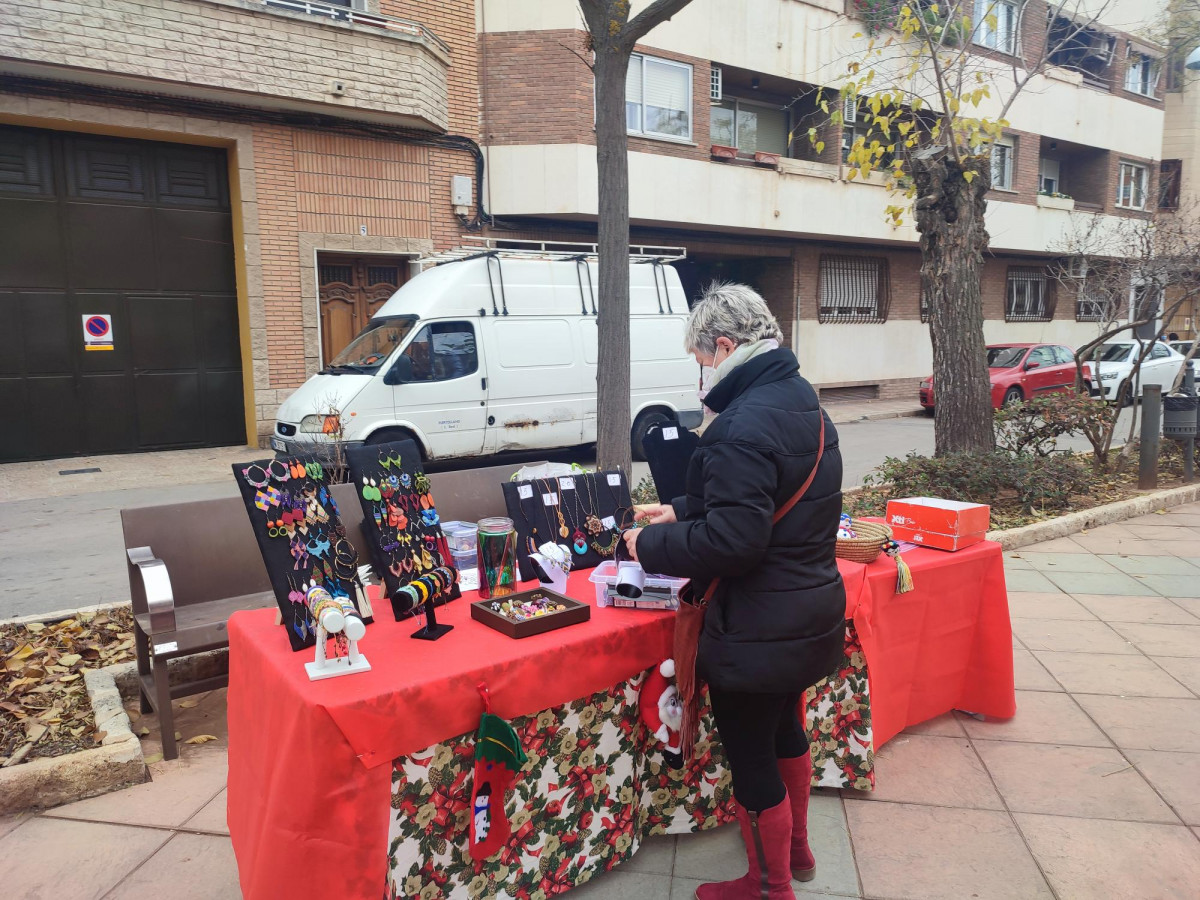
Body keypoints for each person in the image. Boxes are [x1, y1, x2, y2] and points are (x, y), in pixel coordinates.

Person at [624, 283, 846, 900]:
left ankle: (769, 886)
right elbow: (770, 497)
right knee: (784, 732)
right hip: (808, 613)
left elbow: (734, 544)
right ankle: (796, 852)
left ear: (724, 347)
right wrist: (683, 510)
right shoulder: (801, 399)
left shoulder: (738, 424)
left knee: (751, 758)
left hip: (756, 629)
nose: (701, 376)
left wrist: (647, 547)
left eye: (702, 361)